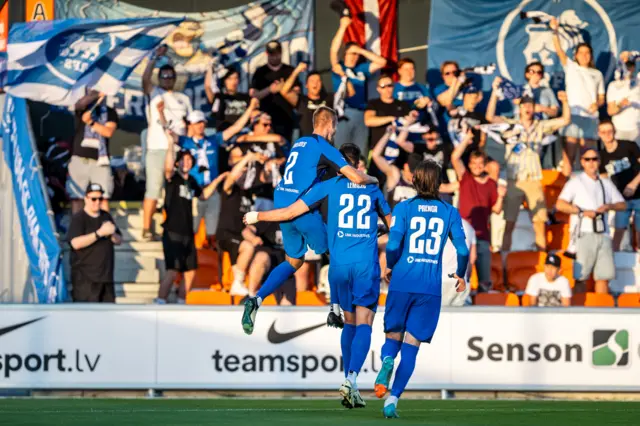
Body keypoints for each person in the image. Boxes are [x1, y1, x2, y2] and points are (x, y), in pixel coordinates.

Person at [244, 143, 391, 408]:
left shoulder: (328, 186)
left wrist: (257, 216)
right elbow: (393, 226)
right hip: (365, 265)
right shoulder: (372, 187)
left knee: (349, 324)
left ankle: (348, 379)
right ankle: (352, 380)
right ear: (358, 165)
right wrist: (380, 234)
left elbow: (289, 213)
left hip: (338, 267)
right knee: (365, 322)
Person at [240, 106, 378, 335]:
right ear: (330, 124)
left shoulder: (300, 142)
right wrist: (372, 178)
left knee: (294, 261)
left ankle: (257, 299)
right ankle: (335, 308)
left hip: (281, 197)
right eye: (335, 126)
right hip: (300, 205)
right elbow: (354, 176)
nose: (335, 131)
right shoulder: (324, 146)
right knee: (336, 250)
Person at [373, 161, 469, 419]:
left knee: (392, 337)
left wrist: (390, 266)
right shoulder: (449, 212)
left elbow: (393, 245)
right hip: (429, 289)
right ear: (438, 184)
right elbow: (462, 249)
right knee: (412, 346)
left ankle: (386, 362)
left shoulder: (403, 208)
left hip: (403, 282)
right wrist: (460, 273)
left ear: (415, 182)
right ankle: (392, 400)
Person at [486, 77, 571, 251]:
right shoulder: (510, 125)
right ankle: (505, 262)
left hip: (533, 179)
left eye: (530, 105)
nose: (527, 108)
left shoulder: (540, 126)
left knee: (539, 224)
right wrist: (495, 93)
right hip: (513, 180)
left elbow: (565, 120)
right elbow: (489, 117)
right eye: (524, 105)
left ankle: (541, 261)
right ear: (519, 108)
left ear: (534, 108)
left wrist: (565, 101)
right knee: (509, 224)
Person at [163, 99, 260, 244]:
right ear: (190, 125)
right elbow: (169, 133)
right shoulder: (186, 142)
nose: (201, 125)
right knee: (191, 229)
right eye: (197, 123)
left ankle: (209, 259)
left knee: (212, 231)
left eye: (203, 122)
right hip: (195, 192)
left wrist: (250, 108)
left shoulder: (214, 140)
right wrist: (160, 113)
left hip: (213, 191)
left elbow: (235, 128)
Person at [155, 139, 227, 304]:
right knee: (173, 271)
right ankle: (159, 302)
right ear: (178, 162)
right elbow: (167, 168)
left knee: (190, 271)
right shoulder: (173, 178)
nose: (186, 162)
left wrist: (218, 179)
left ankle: (181, 301)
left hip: (188, 232)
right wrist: (170, 145)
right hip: (173, 232)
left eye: (189, 160)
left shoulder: (192, 181)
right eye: (183, 159)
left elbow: (203, 195)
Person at [556, 148, 626, 294]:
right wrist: (582, 212)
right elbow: (560, 204)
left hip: (604, 233)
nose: (591, 163)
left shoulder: (605, 182)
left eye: (594, 159)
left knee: (603, 277)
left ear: (599, 161)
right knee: (581, 277)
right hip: (583, 233)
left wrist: (609, 206)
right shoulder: (576, 182)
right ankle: (579, 312)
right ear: (582, 162)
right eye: (587, 159)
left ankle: (603, 311)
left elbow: (622, 204)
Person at [142, 45, 193, 241]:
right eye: (163, 76)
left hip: (178, 151)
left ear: (174, 78)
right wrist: (153, 58)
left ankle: (172, 226)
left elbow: (189, 126)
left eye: (170, 76)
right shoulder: (153, 92)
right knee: (153, 188)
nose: (167, 79)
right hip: (157, 148)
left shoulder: (184, 99)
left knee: (175, 192)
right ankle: (147, 229)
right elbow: (145, 79)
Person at [451, 133, 505, 291]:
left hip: (482, 236)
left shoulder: (491, 183)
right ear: (469, 164)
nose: (477, 167)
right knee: (461, 276)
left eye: (480, 164)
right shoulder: (465, 178)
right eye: (474, 163)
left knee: (484, 280)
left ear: (485, 165)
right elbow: (455, 157)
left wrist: (501, 196)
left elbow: (496, 209)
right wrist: (467, 139)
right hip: (463, 235)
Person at [550, 18, 605, 170]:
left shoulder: (597, 74)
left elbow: (601, 98)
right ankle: (567, 190)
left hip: (591, 118)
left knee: (589, 157)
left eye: (588, 53)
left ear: (591, 55)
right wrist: (555, 30)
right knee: (569, 157)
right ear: (576, 55)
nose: (584, 55)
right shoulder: (571, 67)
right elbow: (558, 49)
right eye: (581, 53)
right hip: (573, 116)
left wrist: (597, 104)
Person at [330, 15, 387, 149]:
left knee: (359, 151)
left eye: (356, 54)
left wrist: (360, 50)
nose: (355, 56)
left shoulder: (361, 69)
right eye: (351, 53)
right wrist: (343, 27)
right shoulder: (340, 67)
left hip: (361, 112)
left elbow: (382, 62)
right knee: (341, 150)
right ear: (345, 54)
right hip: (344, 111)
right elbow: (333, 51)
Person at [216, 151, 264, 297]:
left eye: (245, 172)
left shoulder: (248, 194)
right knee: (248, 247)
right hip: (225, 234)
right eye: (241, 172)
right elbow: (231, 177)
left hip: (239, 235)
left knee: (255, 250)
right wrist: (247, 158)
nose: (242, 174)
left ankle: (242, 287)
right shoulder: (231, 189)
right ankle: (238, 283)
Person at [68, 183, 122, 302]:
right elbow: (75, 243)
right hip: (85, 280)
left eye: (100, 199)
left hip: (106, 278)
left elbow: (119, 240)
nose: (97, 202)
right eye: (93, 199)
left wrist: (112, 233)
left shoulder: (106, 216)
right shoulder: (79, 218)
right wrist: (99, 233)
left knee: (108, 316)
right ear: (86, 199)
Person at [67, 91, 119, 214]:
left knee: (102, 198)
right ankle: (78, 228)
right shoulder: (83, 109)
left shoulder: (110, 112)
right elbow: (78, 105)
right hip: (79, 159)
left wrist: (91, 122)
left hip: (100, 161)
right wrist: (96, 94)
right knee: (77, 198)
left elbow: (108, 132)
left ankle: (105, 228)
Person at [597, 120, 640, 251]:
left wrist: (634, 184)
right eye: (603, 132)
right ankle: (614, 259)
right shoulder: (602, 156)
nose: (607, 134)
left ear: (614, 131)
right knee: (619, 230)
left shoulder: (629, 146)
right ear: (599, 134)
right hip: (621, 199)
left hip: (639, 194)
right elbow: (604, 180)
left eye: (610, 131)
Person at [280, 62, 347, 137]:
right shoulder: (301, 100)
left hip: (325, 144)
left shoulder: (329, 98)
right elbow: (284, 91)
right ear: (306, 85)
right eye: (312, 81)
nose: (315, 84)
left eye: (318, 81)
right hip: (307, 144)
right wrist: (296, 71)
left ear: (321, 84)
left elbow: (347, 93)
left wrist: (343, 76)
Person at [250, 40, 299, 143]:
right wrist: (269, 89)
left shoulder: (290, 71)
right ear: (266, 54)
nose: (275, 57)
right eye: (272, 54)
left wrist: (284, 89)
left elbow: (297, 94)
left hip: (286, 118)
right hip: (265, 121)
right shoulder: (260, 72)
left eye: (277, 54)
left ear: (281, 53)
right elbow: (253, 95)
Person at [244, 220, 296, 305]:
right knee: (261, 256)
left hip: (285, 270)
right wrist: (253, 238)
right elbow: (246, 231)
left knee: (287, 305)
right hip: (267, 268)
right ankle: (251, 296)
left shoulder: (295, 224)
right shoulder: (268, 220)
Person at [365, 74, 412, 154]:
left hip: (399, 150)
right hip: (379, 150)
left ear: (394, 87)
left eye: (389, 85)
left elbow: (410, 122)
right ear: (378, 89)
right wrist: (391, 118)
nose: (387, 89)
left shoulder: (403, 104)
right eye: (383, 86)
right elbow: (368, 121)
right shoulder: (373, 104)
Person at [606, 51, 640, 144]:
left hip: (637, 130)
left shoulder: (638, 81)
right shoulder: (613, 85)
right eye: (625, 65)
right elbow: (610, 111)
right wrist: (621, 104)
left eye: (630, 65)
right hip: (619, 129)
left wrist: (632, 54)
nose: (628, 68)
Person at [441, 218, 476, 306]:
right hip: (460, 281)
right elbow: (472, 258)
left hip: (439, 280)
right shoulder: (469, 227)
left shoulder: (436, 223)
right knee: (459, 318)